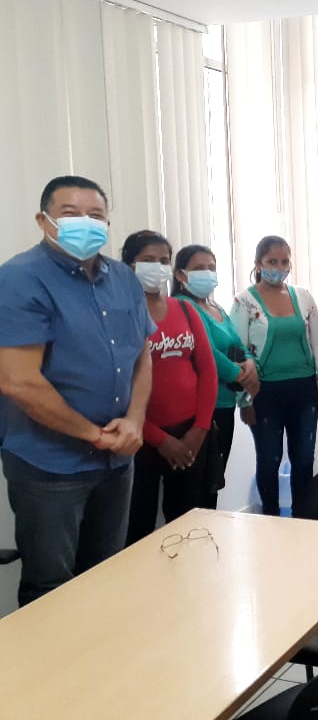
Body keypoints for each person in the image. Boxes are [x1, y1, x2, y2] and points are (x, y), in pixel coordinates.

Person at [0, 175, 153, 605]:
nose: (85, 222)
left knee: (105, 576)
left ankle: (103, 652)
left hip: (116, 460)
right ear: (43, 220)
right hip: (50, 465)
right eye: (70, 214)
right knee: (50, 590)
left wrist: (135, 421)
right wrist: (94, 435)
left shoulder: (123, 278)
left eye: (95, 215)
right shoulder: (20, 279)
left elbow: (143, 357)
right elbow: (17, 380)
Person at [121, 231, 218, 544]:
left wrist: (199, 429)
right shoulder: (122, 316)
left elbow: (208, 372)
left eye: (163, 260)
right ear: (129, 265)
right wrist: (161, 440)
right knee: (138, 526)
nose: (158, 267)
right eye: (148, 260)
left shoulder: (185, 310)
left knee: (189, 524)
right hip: (142, 438)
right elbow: (120, 387)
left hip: (192, 434)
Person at [231, 236, 318, 515]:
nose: (279, 267)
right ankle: (271, 519)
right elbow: (237, 350)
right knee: (268, 460)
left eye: (284, 261)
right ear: (258, 264)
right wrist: (244, 401)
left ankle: (303, 517)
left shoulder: (303, 297)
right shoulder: (244, 302)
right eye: (272, 262)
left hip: (303, 391)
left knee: (304, 460)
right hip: (264, 393)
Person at [173, 244, 260, 507]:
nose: (207, 273)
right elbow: (206, 353)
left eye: (211, 267)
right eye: (199, 268)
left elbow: (238, 344)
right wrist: (242, 375)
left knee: (214, 481)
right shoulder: (182, 306)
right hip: (200, 409)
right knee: (195, 486)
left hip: (225, 404)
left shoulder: (216, 308)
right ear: (180, 274)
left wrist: (250, 364)